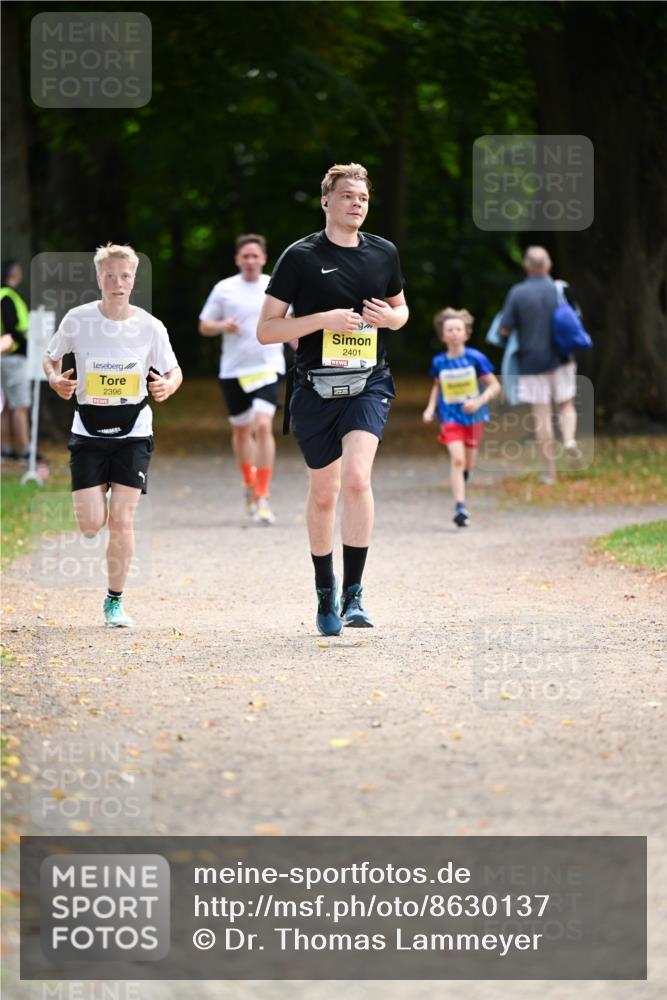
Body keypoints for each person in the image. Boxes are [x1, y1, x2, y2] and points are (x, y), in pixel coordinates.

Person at [257, 162, 408, 636]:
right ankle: (326, 589)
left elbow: (402, 311)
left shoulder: (383, 252)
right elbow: (266, 330)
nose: (356, 204)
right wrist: (323, 320)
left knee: (357, 478)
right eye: (347, 196)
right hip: (315, 387)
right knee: (325, 493)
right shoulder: (300, 257)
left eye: (363, 198)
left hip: (369, 381)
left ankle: (354, 595)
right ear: (326, 201)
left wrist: (389, 319)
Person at [43, 243, 182, 627]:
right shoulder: (78, 319)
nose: (117, 283)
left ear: (133, 280)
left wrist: (168, 386)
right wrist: (54, 379)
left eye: (125, 276)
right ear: (98, 278)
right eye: (110, 276)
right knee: (91, 524)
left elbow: (174, 370)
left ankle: (114, 601)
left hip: (134, 430)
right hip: (87, 430)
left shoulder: (150, 327)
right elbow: (51, 356)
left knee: (122, 520)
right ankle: (96, 501)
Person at [199, 234, 288, 525]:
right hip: (234, 371)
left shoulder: (276, 285)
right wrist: (222, 325)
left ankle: (262, 494)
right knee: (241, 432)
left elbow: (292, 324)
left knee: (262, 425)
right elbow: (204, 326)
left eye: (255, 256)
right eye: (245, 256)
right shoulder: (224, 289)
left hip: (268, 366)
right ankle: (249, 483)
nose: (250, 260)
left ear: (264, 259)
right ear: (238, 260)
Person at [499, 246, 581, 484]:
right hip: (562, 359)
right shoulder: (561, 288)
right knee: (566, 404)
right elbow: (577, 318)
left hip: (531, 362)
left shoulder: (518, 293)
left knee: (542, 415)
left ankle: (550, 472)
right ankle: (569, 440)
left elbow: (504, 329)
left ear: (526, 266)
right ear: (549, 265)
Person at [423, 308, 500, 526]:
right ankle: (460, 507)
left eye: (458, 329)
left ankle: (463, 479)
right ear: (442, 335)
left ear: (466, 333)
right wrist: (430, 408)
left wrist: (478, 401)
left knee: (468, 462)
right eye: (450, 330)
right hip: (449, 417)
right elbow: (437, 387)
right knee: (457, 459)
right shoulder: (439, 362)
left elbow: (494, 386)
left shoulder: (476, 358)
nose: (454, 333)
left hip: (474, 417)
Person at [1, 260, 31, 460]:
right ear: (14, 274)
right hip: (13, 357)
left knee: (5, 407)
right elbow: (11, 328)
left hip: (4, 356)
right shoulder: (8, 296)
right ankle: (25, 450)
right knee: (21, 405)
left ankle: (5, 449)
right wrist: (27, 343)